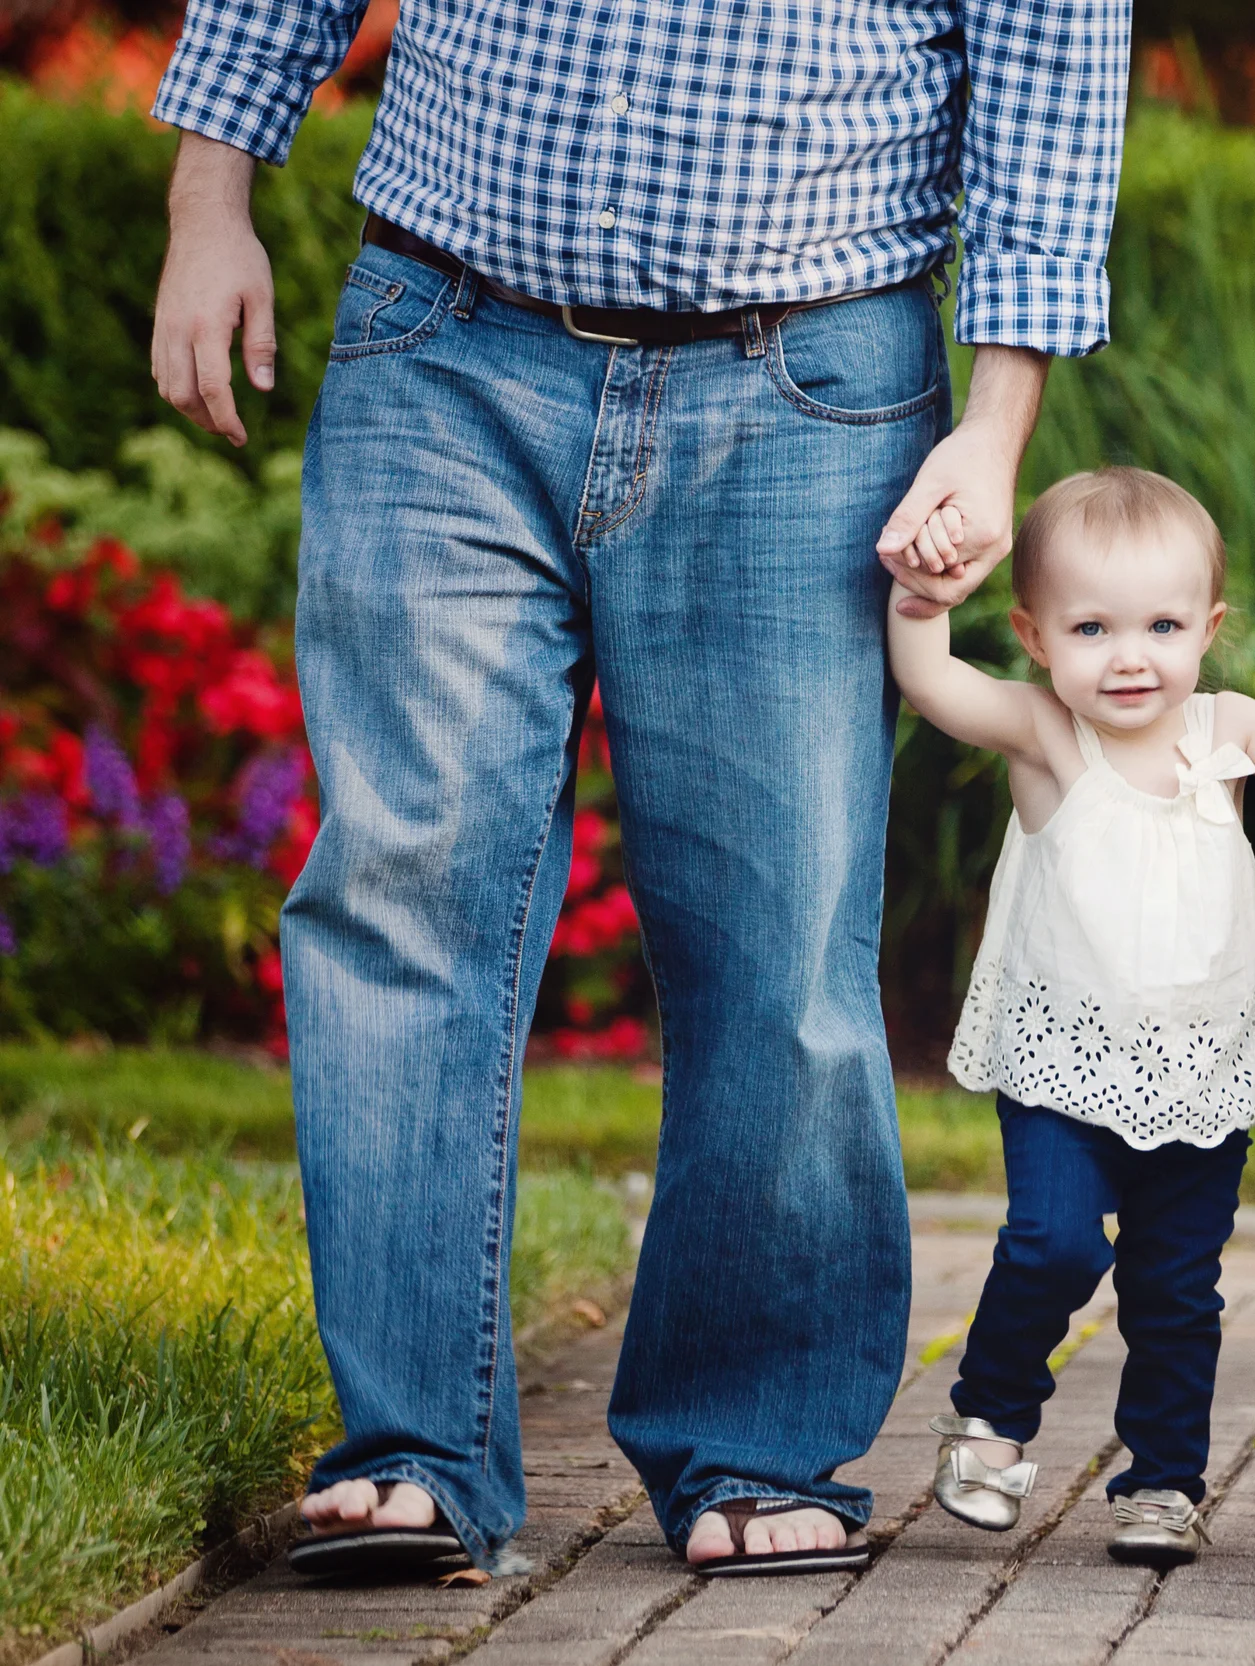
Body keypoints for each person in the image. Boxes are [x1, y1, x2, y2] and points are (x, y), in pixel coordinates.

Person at [146, 0, 1128, 1579]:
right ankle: (412, 1444)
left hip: (803, 381)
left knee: (776, 932)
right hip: (443, 336)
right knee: (402, 884)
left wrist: (999, 418)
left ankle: (755, 1436)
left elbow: (1051, 53)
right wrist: (212, 196)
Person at [886, 467, 1255, 1567]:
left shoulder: (1228, 727)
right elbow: (932, 683)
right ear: (1033, 636)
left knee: (1174, 1288)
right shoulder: (1045, 732)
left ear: (1208, 629)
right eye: (1092, 628)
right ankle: (989, 1419)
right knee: (1052, 1243)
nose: (1130, 657)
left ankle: (1162, 1482)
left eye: (1162, 626)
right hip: (1063, 1063)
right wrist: (923, 598)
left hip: (1204, 1068)